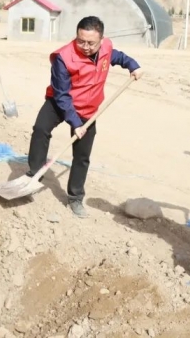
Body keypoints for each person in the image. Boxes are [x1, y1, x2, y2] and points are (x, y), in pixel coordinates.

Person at [16, 16, 142, 218]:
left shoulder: (106, 48)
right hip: (60, 102)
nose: (85, 46)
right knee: (40, 129)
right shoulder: (63, 58)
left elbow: (117, 56)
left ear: (101, 40)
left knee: (82, 156)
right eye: (80, 41)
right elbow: (62, 95)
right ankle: (34, 174)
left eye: (91, 43)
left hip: (88, 108)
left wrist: (133, 65)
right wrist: (74, 122)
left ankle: (75, 198)